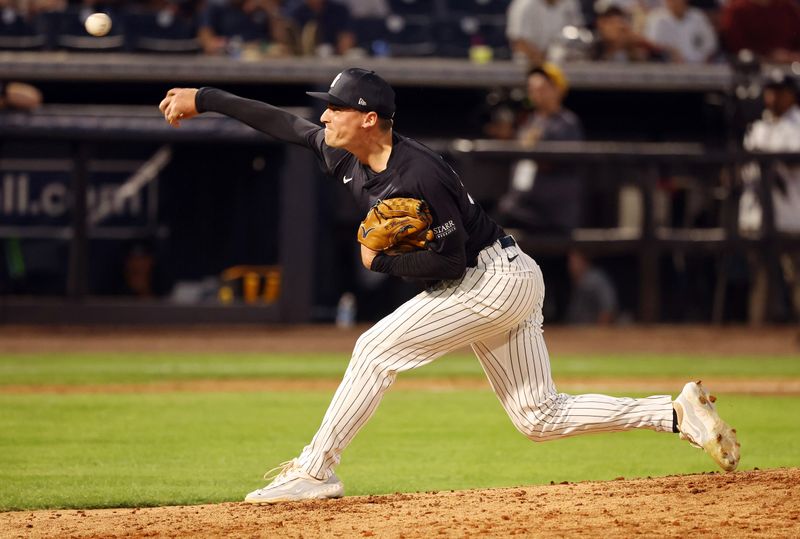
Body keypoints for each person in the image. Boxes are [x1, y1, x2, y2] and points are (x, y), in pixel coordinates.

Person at [158, 68, 740, 503]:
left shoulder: (420, 173)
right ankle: (674, 415)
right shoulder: (344, 156)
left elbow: (451, 265)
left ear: (368, 118)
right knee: (538, 416)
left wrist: (377, 263)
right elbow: (283, 123)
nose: (325, 117)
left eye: (335, 108)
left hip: (493, 278)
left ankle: (316, 470)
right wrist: (206, 99)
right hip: (504, 279)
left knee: (372, 349)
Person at [739, 69, 800, 323]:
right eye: (770, 91)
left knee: (798, 280)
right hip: (758, 218)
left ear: (792, 95)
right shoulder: (757, 128)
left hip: (792, 218)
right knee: (761, 283)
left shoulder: (797, 125)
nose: (773, 97)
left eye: (779, 92)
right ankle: (759, 342)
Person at [496, 63, 584, 235]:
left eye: (542, 88)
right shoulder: (530, 121)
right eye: (532, 89)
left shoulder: (566, 123)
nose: (536, 93)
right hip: (521, 204)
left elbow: (558, 162)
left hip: (550, 211)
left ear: (557, 90)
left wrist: (531, 148)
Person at [506, 0, 584, 66]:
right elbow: (518, 42)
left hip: (562, 63)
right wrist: (544, 64)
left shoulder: (570, 2)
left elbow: (577, 29)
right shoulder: (523, 4)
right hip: (529, 66)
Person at [720, 0, 800, 64]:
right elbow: (736, 49)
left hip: (792, 70)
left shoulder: (787, 7)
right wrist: (770, 58)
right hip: (752, 72)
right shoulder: (737, 9)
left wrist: (790, 57)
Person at [643, 0, 718, 63]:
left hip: (700, 71)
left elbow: (710, 47)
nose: (675, 2)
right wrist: (669, 51)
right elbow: (651, 47)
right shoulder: (656, 19)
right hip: (666, 72)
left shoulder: (698, 17)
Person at [565, 249, 618, 324]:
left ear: (584, 261)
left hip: (593, 332)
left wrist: (598, 332)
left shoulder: (596, 279)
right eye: (570, 262)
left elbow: (608, 310)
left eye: (574, 262)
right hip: (578, 332)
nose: (570, 266)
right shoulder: (578, 282)